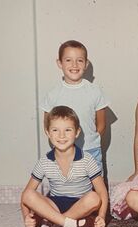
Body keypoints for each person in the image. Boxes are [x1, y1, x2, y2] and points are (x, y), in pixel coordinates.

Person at [21, 106, 109, 227]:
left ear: (77, 132)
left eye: (68, 130)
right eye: (55, 130)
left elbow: (102, 192)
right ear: (48, 133)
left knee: (94, 198)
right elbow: (26, 196)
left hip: (80, 204)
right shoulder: (44, 162)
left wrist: (101, 216)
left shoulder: (87, 159)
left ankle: (52, 221)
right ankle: (69, 223)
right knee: (28, 194)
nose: (61, 135)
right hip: (54, 205)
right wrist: (26, 217)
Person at [40, 40, 110, 169]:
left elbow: (102, 124)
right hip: (63, 151)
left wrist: (91, 141)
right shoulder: (52, 94)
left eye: (79, 60)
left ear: (86, 64)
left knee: (95, 186)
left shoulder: (95, 91)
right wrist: (62, 144)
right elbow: (47, 124)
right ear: (59, 63)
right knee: (67, 186)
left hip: (91, 150)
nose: (74, 65)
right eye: (68, 60)